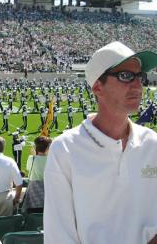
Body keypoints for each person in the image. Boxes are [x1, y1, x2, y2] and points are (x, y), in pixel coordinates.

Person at [44, 41, 157, 244]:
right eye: (126, 76)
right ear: (98, 87)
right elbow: (59, 236)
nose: (138, 85)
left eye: (140, 77)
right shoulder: (65, 149)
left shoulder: (153, 144)